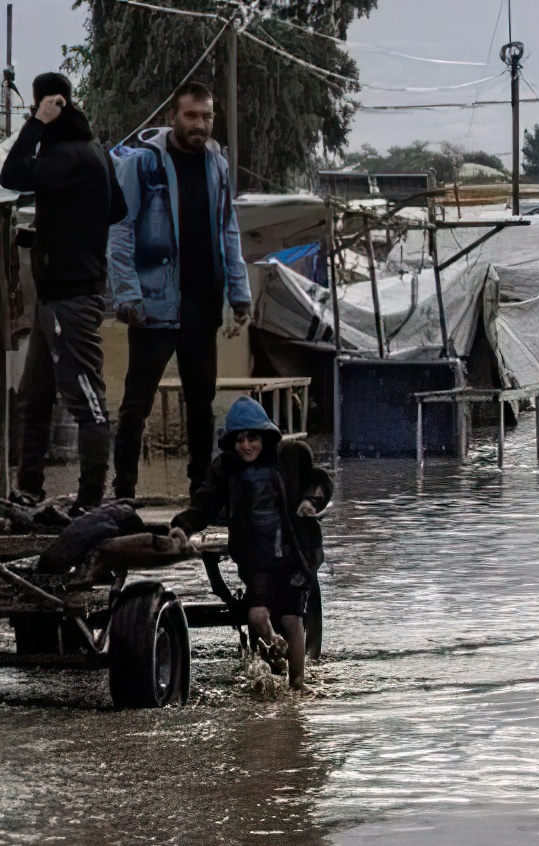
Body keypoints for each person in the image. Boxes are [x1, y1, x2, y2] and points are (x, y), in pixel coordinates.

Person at [108, 81, 251, 500]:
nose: (200, 124)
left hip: (202, 304)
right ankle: (124, 492)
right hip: (154, 305)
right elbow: (121, 229)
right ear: (173, 117)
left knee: (201, 402)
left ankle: (201, 489)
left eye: (207, 117)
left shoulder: (217, 165)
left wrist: (239, 293)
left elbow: (228, 229)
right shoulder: (143, 163)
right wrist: (127, 294)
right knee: (137, 403)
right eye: (191, 116)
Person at [0, 72, 127, 512]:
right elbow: (117, 208)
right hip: (56, 294)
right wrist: (64, 228)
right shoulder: (95, 151)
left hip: (70, 296)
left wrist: (36, 123)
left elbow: (11, 174)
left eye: (37, 107)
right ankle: (29, 488)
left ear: (50, 105)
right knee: (34, 395)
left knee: (87, 398)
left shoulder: (67, 153)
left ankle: (90, 500)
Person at [170, 397, 331, 689]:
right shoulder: (226, 467)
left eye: (252, 438)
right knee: (257, 614)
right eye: (240, 440)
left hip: (292, 556)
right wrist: (182, 526)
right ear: (232, 442)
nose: (246, 446)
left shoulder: (287, 456)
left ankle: (297, 686)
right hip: (257, 559)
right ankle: (274, 642)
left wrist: (310, 502)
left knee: (293, 618)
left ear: (264, 437)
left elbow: (319, 480)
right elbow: (205, 502)